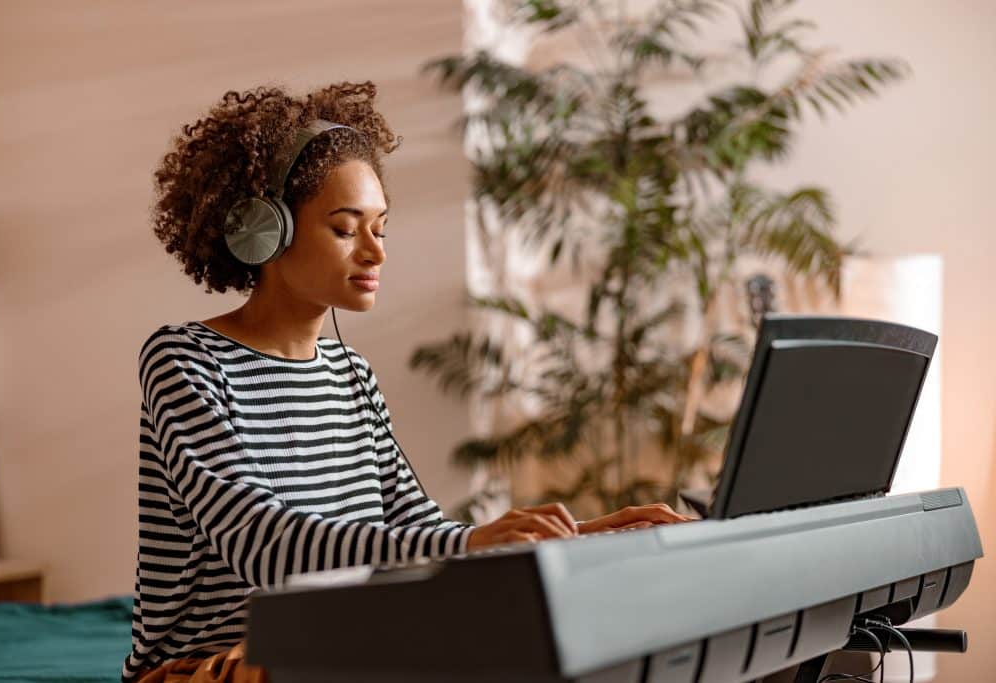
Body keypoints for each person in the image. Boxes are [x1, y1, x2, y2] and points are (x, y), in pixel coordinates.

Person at [124, 82, 690, 683]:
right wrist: (471, 547)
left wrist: (573, 538)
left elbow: (418, 532)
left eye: (381, 228)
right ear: (265, 232)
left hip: (335, 645)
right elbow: (263, 546)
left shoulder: (352, 376)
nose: (376, 253)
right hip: (207, 668)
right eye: (346, 229)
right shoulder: (185, 361)